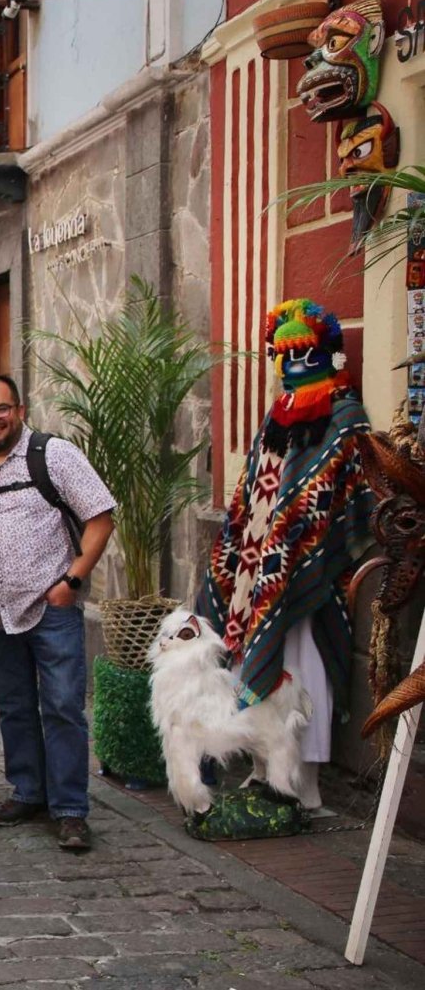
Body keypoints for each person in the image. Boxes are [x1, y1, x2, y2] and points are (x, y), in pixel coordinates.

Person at [198, 300, 373, 813]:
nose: (294, 364)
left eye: (304, 352)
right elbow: (257, 483)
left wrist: (295, 542)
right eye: (284, 353)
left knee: (303, 663)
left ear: (327, 353)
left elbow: (334, 487)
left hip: (308, 570)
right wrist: (242, 546)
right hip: (256, 567)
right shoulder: (278, 413)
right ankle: (264, 768)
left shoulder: (344, 415)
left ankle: (307, 779)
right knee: (259, 661)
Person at [0, 375, 115, 852]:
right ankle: (29, 791)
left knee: (61, 707)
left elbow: (101, 517)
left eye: (1, 409)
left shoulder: (53, 455)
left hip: (51, 606)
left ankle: (71, 809)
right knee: (14, 706)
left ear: (19, 409)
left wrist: (72, 581)